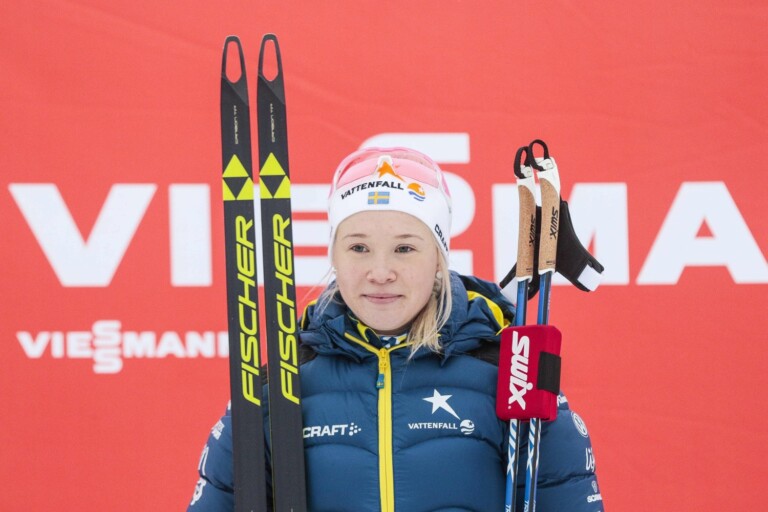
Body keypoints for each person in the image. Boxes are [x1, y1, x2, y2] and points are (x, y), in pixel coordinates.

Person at [188, 147, 604, 511]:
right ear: (334, 256)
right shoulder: (279, 386)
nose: (381, 272)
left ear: (438, 258)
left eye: (404, 248)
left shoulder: (509, 374)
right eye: (358, 247)